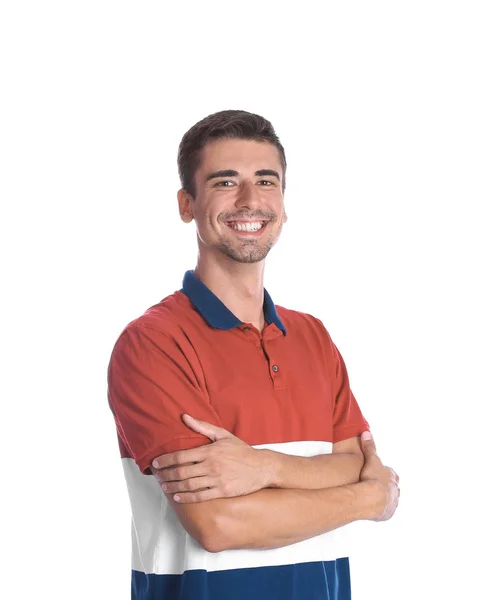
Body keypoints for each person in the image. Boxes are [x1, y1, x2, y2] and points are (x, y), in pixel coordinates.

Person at [107, 109, 400, 600]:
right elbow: (218, 523)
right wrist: (369, 499)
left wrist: (265, 469)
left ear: (284, 204)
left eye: (267, 181)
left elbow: (354, 461)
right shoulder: (153, 342)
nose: (251, 200)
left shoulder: (313, 337)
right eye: (226, 181)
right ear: (186, 204)